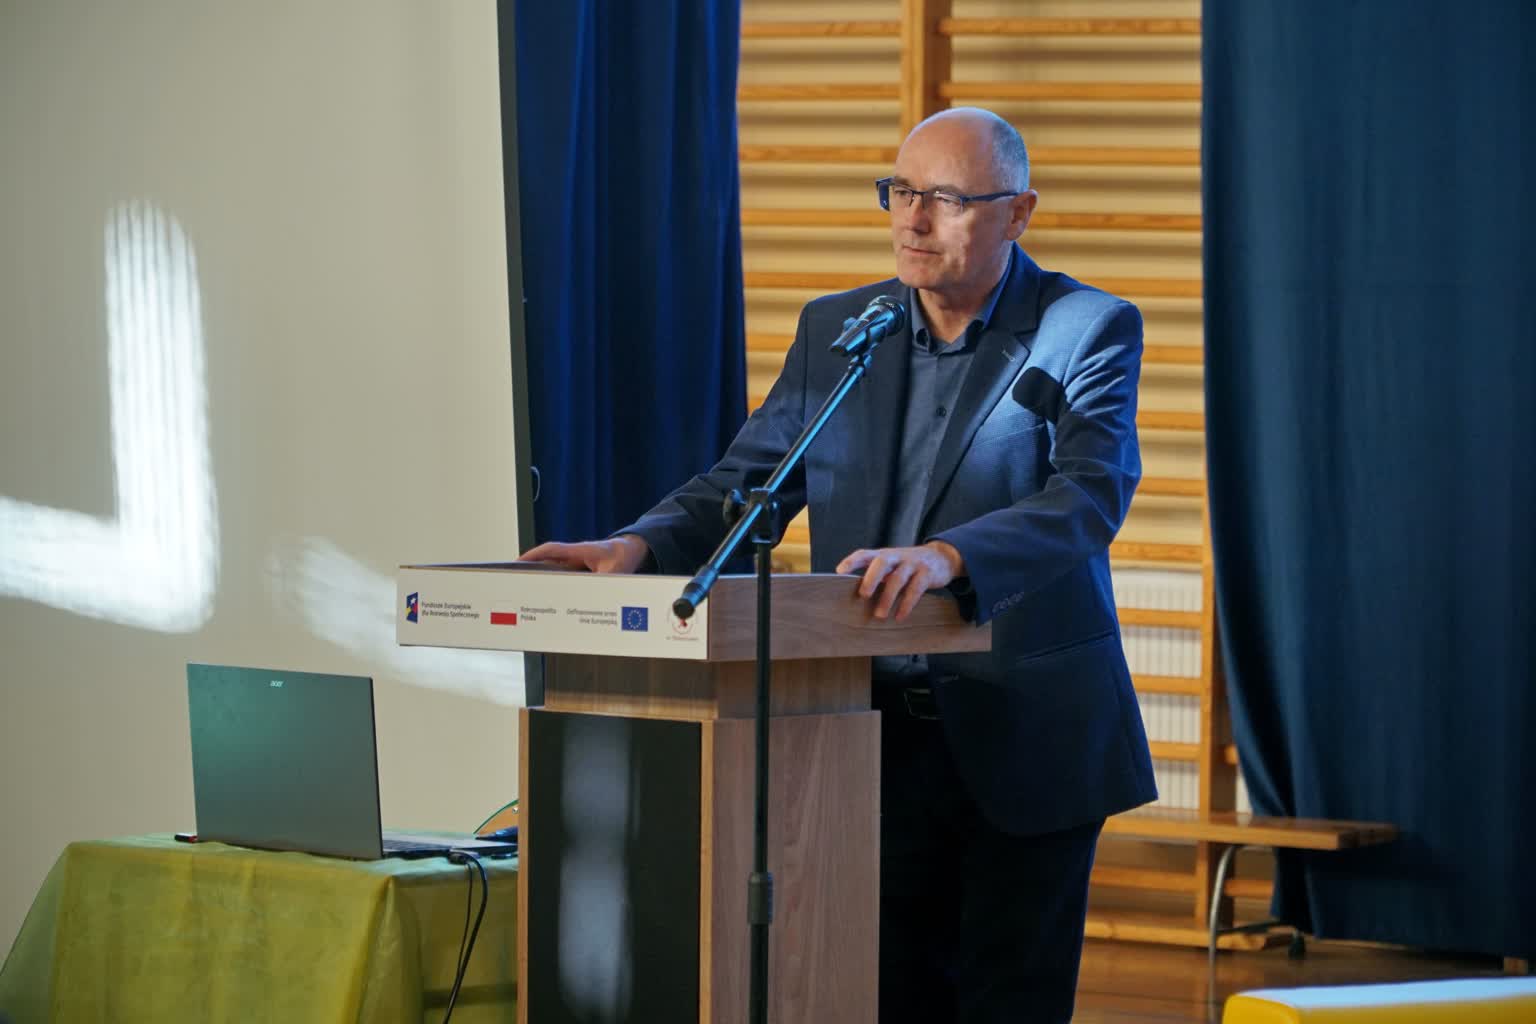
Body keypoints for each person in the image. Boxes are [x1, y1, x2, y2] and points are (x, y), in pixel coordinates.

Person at [522, 106, 1156, 1024]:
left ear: (1018, 213)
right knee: (879, 994)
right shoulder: (842, 329)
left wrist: (947, 557)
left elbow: (1089, 496)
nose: (914, 220)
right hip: (861, 735)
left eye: (947, 199)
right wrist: (639, 545)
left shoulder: (1086, 328)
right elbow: (748, 482)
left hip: (1027, 733)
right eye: (901, 192)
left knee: (1007, 1002)